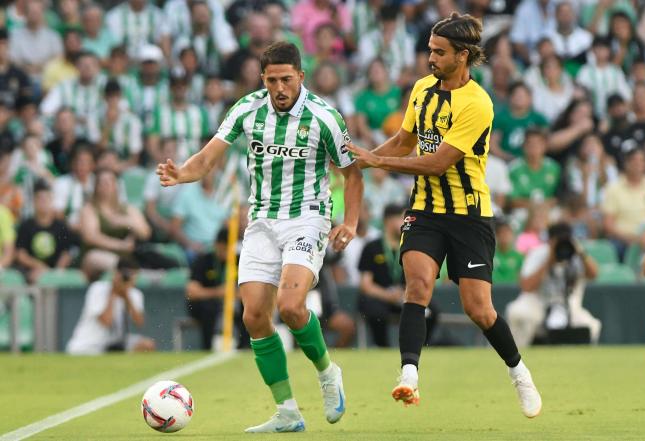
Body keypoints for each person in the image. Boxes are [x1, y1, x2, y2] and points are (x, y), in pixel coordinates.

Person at [157, 41, 363, 432]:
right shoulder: (246, 109)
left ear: (301, 76)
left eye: (286, 79)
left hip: (307, 219)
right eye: (272, 80)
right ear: (262, 79)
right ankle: (287, 411)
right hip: (262, 221)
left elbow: (352, 173)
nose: (280, 88)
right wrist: (182, 172)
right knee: (253, 316)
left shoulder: (325, 117)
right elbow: (207, 157)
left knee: (290, 305)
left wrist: (350, 222)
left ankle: (327, 373)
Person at [346, 13, 542, 417]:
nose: (430, 58)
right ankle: (409, 376)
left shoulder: (478, 103)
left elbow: (437, 163)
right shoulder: (421, 89)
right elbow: (404, 141)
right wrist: (360, 162)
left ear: (463, 56)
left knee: (479, 310)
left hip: (469, 215)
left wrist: (376, 161)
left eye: (439, 52)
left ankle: (519, 372)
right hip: (425, 211)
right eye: (430, 50)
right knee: (417, 286)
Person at [506, 222, 601, 347]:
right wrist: (549, 260)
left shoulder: (576, 253)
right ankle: (517, 359)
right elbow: (526, 287)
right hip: (538, 301)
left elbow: (594, 275)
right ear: (549, 241)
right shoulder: (538, 253)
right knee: (517, 313)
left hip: (568, 304)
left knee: (592, 325)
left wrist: (580, 252)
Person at [358, 204, 439, 347]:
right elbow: (366, 285)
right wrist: (387, 295)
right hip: (380, 297)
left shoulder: (410, 246)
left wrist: (406, 293)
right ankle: (383, 349)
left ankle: (418, 348)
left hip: (405, 296)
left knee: (432, 311)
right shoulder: (372, 247)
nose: (407, 223)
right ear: (389, 221)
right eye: (403, 219)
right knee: (376, 312)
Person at [66, 255, 156, 355]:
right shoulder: (97, 288)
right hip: (90, 344)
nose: (128, 279)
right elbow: (106, 322)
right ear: (115, 273)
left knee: (147, 346)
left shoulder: (135, 294)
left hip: (115, 342)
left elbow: (139, 323)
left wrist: (126, 296)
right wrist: (113, 292)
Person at [186, 228, 248, 350]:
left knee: (247, 305)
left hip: (233, 301)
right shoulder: (204, 260)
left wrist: (232, 293)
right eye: (223, 248)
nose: (226, 252)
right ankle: (207, 347)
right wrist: (218, 292)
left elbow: (248, 290)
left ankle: (244, 346)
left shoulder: (240, 260)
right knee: (208, 306)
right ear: (216, 245)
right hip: (208, 304)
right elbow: (191, 292)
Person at [15, 181, 73, 284]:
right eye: (39, 199)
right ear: (34, 201)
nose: (43, 202)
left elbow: (67, 252)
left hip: (56, 271)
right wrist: (39, 266)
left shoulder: (61, 226)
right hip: (31, 272)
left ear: (51, 200)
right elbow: (21, 255)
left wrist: (56, 272)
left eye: (46, 199)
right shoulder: (26, 225)